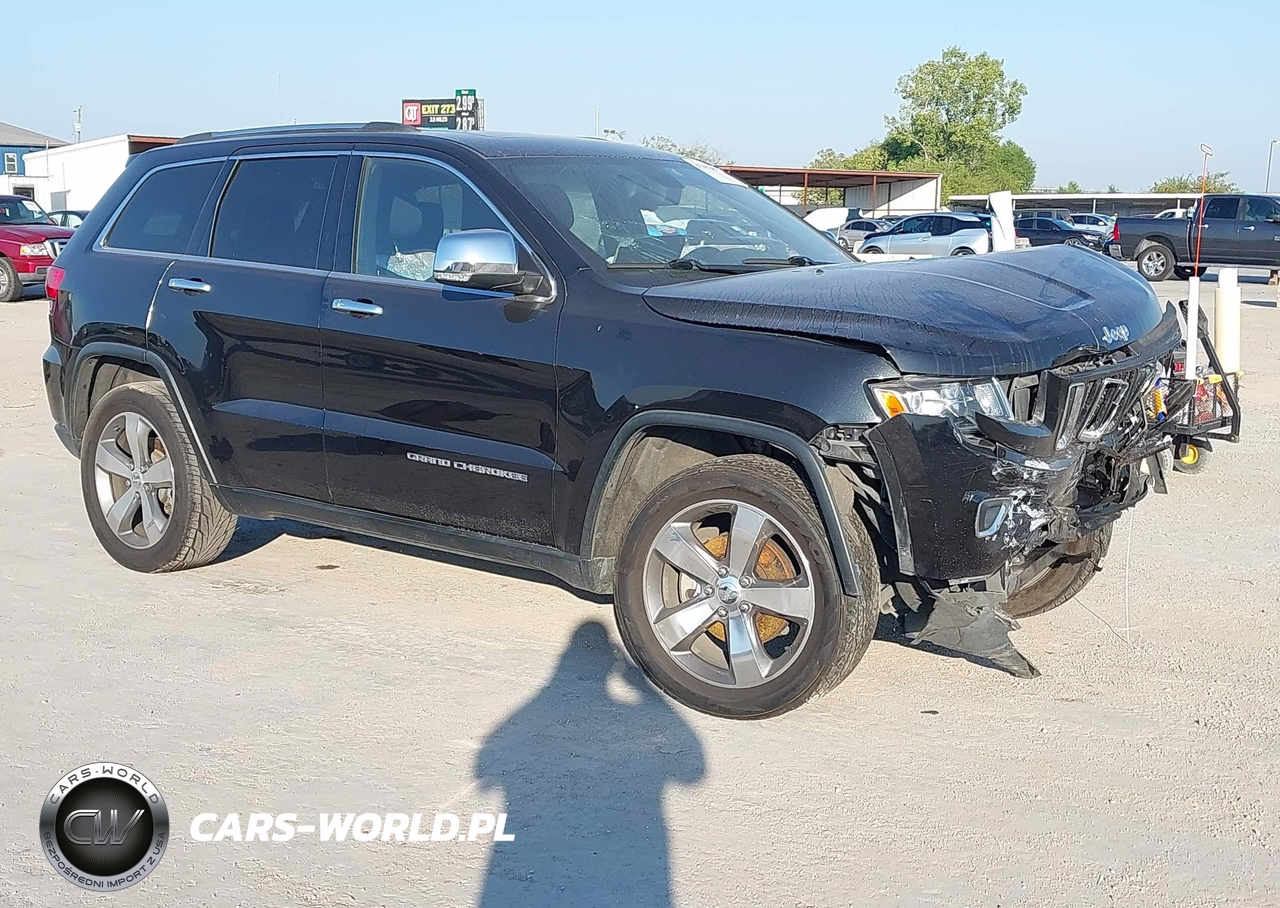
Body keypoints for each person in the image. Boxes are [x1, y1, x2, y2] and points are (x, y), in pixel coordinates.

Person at [476, 620, 705, 907]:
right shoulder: (628, 719)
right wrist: (645, 690)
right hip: (629, 861)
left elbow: (484, 764)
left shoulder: (533, 712)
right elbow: (693, 770)